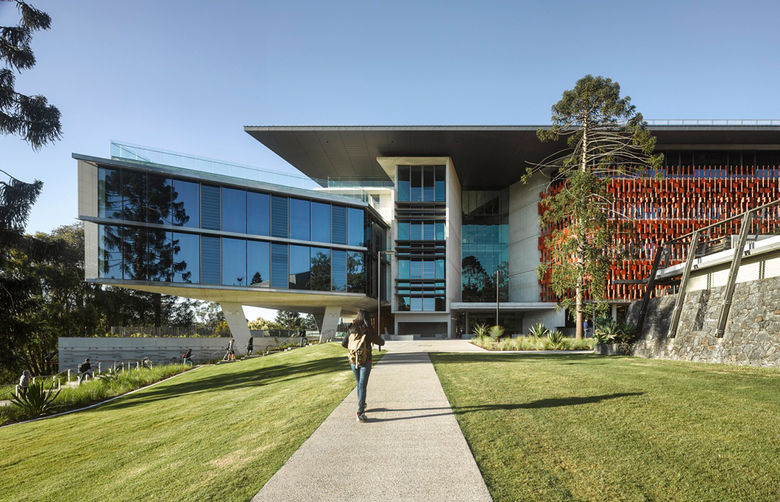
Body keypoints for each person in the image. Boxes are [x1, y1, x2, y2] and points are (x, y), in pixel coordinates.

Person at [341, 311, 385, 422]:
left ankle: (362, 403)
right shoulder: (368, 330)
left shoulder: (351, 329)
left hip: (353, 361)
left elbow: (343, 343)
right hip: (366, 361)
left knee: (359, 383)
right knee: (362, 385)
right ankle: (360, 412)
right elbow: (381, 342)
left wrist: (354, 348)